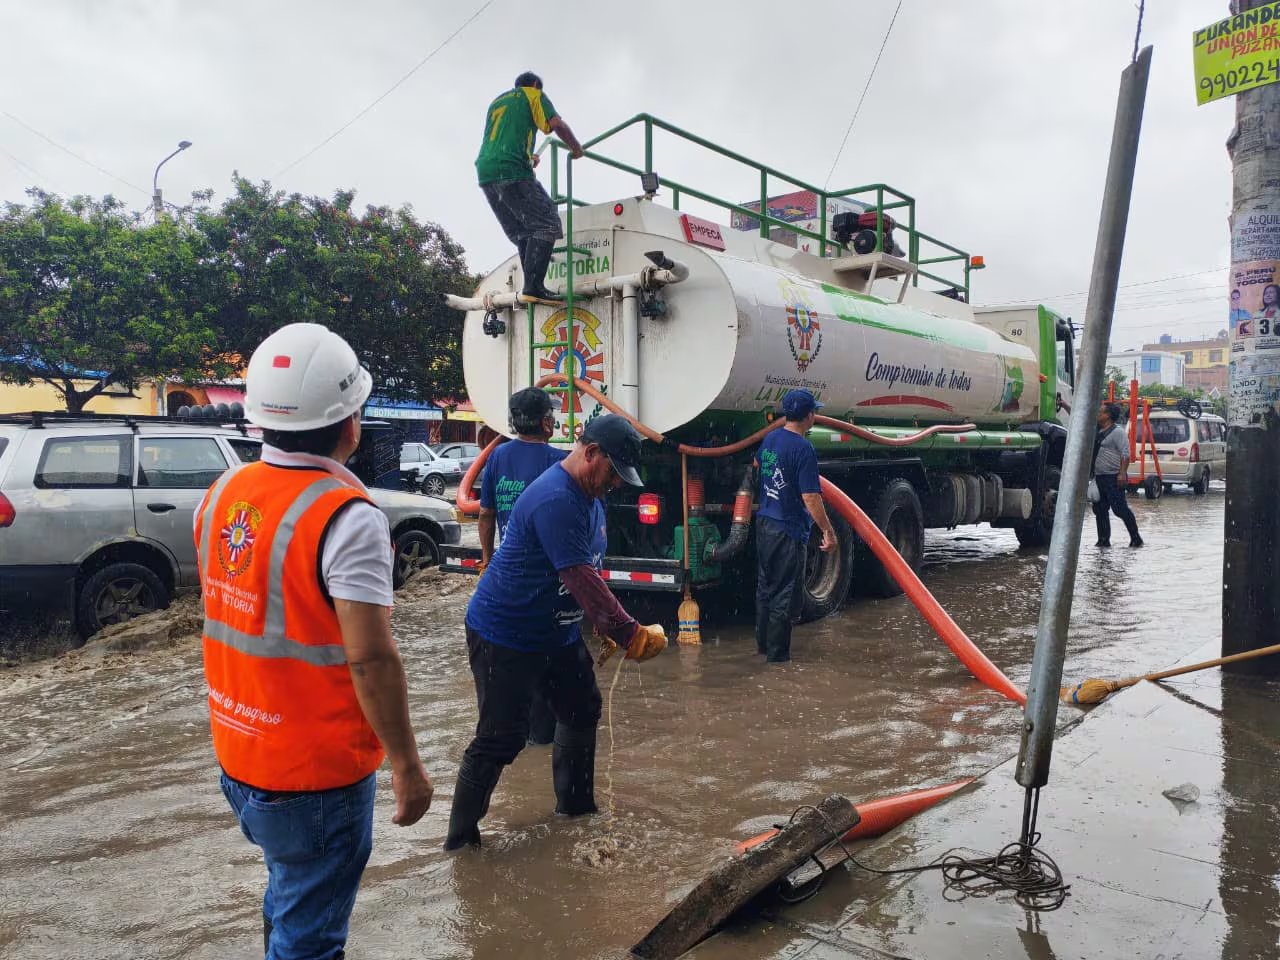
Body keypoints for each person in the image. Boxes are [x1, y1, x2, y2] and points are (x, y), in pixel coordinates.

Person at [196, 323, 434, 959]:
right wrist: (408, 765)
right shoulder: (346, 517)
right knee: (311, 939)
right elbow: (371, 656)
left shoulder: (222, 494)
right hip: (313, 777)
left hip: (240, 759)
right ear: (350, 421)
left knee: (289, 895)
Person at [445, 414, 667, 851]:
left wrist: (598, 619)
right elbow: (580, 575)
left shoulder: (590, 495)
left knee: (581, 709)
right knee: (500, 737)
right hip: (505, 633)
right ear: (591, 453)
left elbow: (591, 570)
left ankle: (575, 812)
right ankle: (461, 845)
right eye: (614, 473)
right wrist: (626, 631)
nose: (616, 485)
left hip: (556, 634)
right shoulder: (556, 499)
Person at [479, 386, 567, 746]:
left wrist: (486, 561)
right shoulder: (558, 461)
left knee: (509, 665)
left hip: (505, 577)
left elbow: (485, 515)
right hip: (544, 579)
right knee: (546, 664)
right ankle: (542, 737)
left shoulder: (497, 458)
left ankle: (520, 737)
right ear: (548, 422)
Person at [476, 71, 585, 303]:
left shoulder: (498, 101)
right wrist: (576, 148)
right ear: (535, 85)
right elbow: (556, 125)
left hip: (487, 172)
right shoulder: (534, 94)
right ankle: (533, 287)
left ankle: (529, 289)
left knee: (524, 231)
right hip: (512, 170)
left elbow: (504, 138)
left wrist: (529, 157)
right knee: (547, 222)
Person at [754, 389, 837, 663]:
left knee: (766, 588)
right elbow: (811, 497)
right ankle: (778, 660)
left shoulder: (771, 438)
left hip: (765, 524)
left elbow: (757, 463)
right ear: (809, 415)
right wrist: (827, 530)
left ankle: (764, 648)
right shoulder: (803, 448)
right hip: (787, 530)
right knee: (783, 595)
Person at [1092, 402, 1143, 548]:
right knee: (1100, 510)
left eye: (1100, 412)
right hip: (1099, 477)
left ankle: (1136, 538)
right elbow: (1080, 419)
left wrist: (1122, 474)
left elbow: (1125, 454)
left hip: (1113, 477)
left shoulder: (1117, 432)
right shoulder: (1097, 430)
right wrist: (1064, 406)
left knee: (1120, 509)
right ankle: (1103, 540)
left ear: (1108, 416)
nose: (1098, 414)